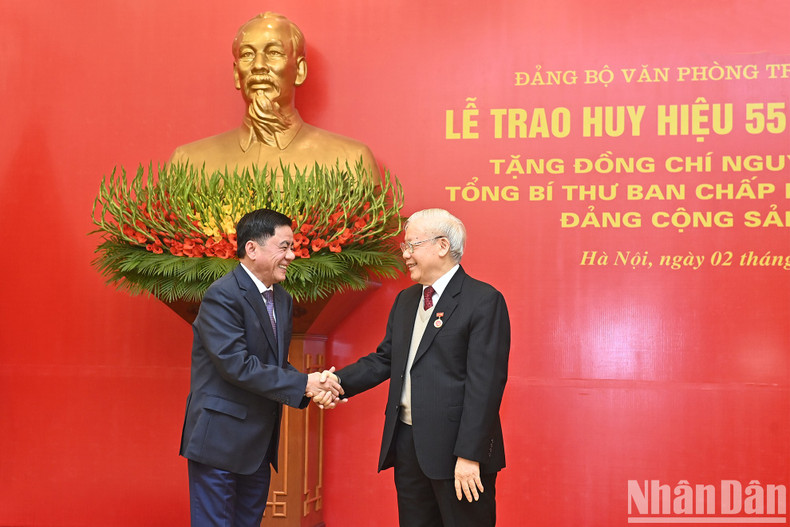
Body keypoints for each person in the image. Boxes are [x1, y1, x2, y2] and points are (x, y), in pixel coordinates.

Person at [319, 208, 511, 526]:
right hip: (409, 447)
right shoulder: (407, 300)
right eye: (404, 246)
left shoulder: (483, 300)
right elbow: (385, 359)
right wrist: (336, 380)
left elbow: (486, 386)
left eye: (412, 245)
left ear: (442, 246)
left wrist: (470, 455)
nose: (405, 254)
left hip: (457, 452)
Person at [180, 208, 343, 527]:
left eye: (292, 246)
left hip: (256, 446)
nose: (292, 255)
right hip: (220, 444)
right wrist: (305, 384)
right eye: (284, 246)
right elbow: (236, 365)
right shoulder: (222, 295)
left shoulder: (280, 299)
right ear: (252, 248)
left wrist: (311, 384)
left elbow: (275, 364)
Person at [169, 12, 379, 182]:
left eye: (273, 53)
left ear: (300, 70)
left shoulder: (351, 162)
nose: (258, 65)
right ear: (236, 74)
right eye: (247, 54)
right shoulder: (188, 163)